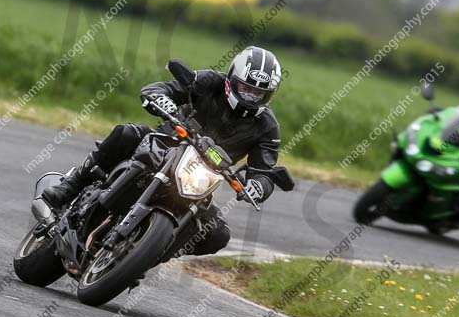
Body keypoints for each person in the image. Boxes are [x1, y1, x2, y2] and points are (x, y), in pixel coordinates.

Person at [41, 46, 285, 256]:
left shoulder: (268, 127)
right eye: (246, 88)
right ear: (232, 79)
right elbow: (165, 88)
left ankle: (151, 254)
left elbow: (264, 170)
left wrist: (259, 186)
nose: (251, 96)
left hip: (204, 176)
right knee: (126, 134)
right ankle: (71, 186)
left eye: (259, 93)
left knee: (218, 234)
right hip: (167, 143)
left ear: (269, 95)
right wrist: (161, 99)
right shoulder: (210, 82)